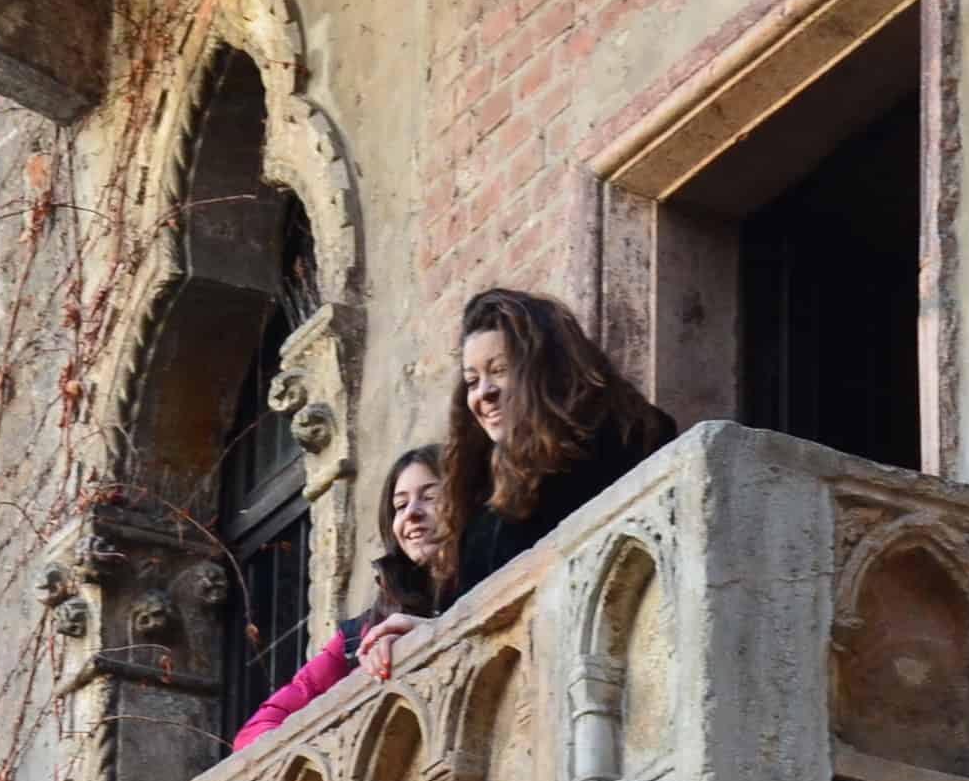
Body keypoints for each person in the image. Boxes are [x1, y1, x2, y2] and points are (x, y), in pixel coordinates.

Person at [431, 288, 676, 598]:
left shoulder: (624, 441)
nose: (484, 393)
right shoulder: (480, 499)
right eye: (472, 381)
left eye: (499, 371)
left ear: (545, 371)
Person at [229, 447, 449, 752]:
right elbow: (256, 731)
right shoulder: (359, 635)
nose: (411, 513)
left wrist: (426, 632)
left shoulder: (492, 563)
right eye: (399, 505)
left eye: (430, 497)